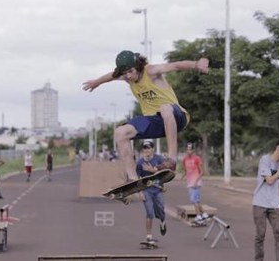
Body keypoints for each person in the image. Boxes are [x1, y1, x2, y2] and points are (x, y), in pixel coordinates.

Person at [83, 50, 209, 182]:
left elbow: (175, 65)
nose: (128, 76)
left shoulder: (151, 71)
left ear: (137, 66)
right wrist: (97, 82)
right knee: (120, 133)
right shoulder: (127, 77)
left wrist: (196, 64)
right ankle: (133, 179)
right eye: (124, 74)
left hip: (177, 117)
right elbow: (112, 76)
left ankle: (171, 161)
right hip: (155, 122)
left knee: (165, 108)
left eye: (130, 71)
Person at [252, 137, 279, 261]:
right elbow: (270, 181)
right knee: (260, 236)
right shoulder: (265, 160)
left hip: (275, 205)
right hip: (260, 203)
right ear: (278, 148)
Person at [136, 141, 167, 243]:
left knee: (161, 208)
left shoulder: (159, 159)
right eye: (145, 148)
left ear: (153, 149)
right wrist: (140, 192)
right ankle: (149, 236)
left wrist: (151, 170)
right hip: (146, 190)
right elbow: (138, 178)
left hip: (158, 189)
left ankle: (162, 222)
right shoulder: (140, 163)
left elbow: (165, 171)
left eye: (148, 148)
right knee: (149, 212)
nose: (146, 150)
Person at [181, 142, 209, 224]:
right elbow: (185, 170)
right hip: (190, 182)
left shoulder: (197, 158)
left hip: (196, 182)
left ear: (193, 150)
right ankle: (204, 214)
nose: (189, 151)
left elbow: (202, 172)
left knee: (194, 200)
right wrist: (183, 176)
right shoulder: (185, 159)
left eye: (190, 149)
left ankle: (198, 216)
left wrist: (197, 181)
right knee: (196, 200)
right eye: (187, 149)